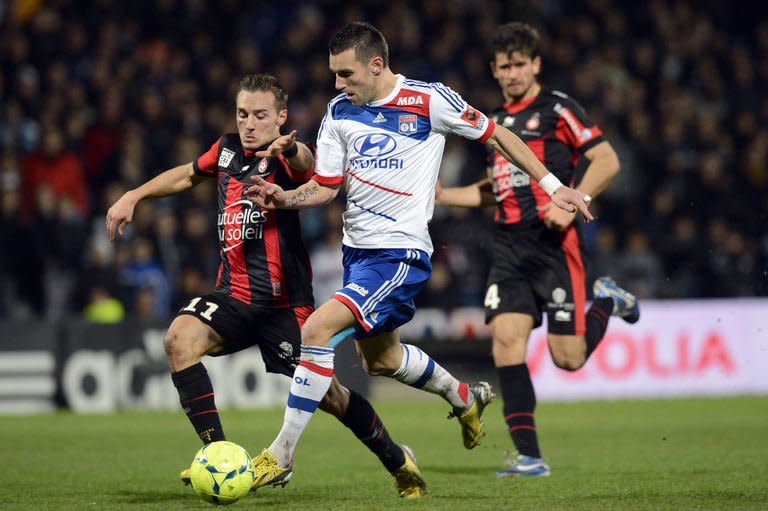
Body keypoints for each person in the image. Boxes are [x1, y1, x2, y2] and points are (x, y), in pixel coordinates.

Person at [244, 22, 593, 495]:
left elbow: (499, 137)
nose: (337, 84)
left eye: (345, 74)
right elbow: (325, 188)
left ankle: (280, 456)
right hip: (358, 255)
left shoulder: (428, 100)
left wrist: (554, 186)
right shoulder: (339, 111)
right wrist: (281, 198)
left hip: (400, 254)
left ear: (376, 65)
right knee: (382, 362)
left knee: (316, 332)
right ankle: (463, 395)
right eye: (333, 74)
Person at [105, 74, 425, 498]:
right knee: (179, 341)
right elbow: (185, 175)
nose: (249, 124)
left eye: (259, 115)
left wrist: (291, 147)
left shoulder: (285, 157)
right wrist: (135, 195)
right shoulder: (225, 151)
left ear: (280, 117)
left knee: (331, 397)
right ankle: (220, 457)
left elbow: (310, 167)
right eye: (242, 114)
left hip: (284, 305)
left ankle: (397, 459)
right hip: (233, 295)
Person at [437, 22, 640, 477]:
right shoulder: (493, 123)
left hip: (555, 244)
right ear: (493, 69)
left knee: (567, 359)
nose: (511, 73)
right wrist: (447, 196)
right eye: (503, 66)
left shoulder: (559, 108)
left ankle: (608, 300)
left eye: (519, 65)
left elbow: (607, 160)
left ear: (536, 65)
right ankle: (529, 457)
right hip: (509, 247)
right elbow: (496, 188)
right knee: (506, 343)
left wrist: (575, 203)